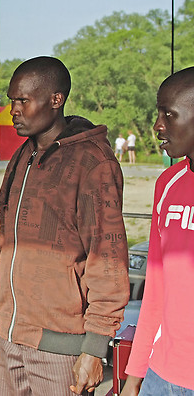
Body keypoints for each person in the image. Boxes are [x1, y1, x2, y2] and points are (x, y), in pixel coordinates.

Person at [0, 56, 129, 396]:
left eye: (23, 100)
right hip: (11, 340)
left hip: (61, 350)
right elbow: (8, 243)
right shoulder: (22, 156)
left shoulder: (93, 162)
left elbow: (108, 258)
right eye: (11, 101)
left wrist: (95, 347)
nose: (13, 111)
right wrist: (3, 328)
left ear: (56, 100)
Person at [120, 67, 194, 396]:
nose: (157, 126)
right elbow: (155, 289)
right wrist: (135, 375)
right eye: (158, 113)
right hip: (161, 376)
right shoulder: (168, 183)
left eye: (169, 114)